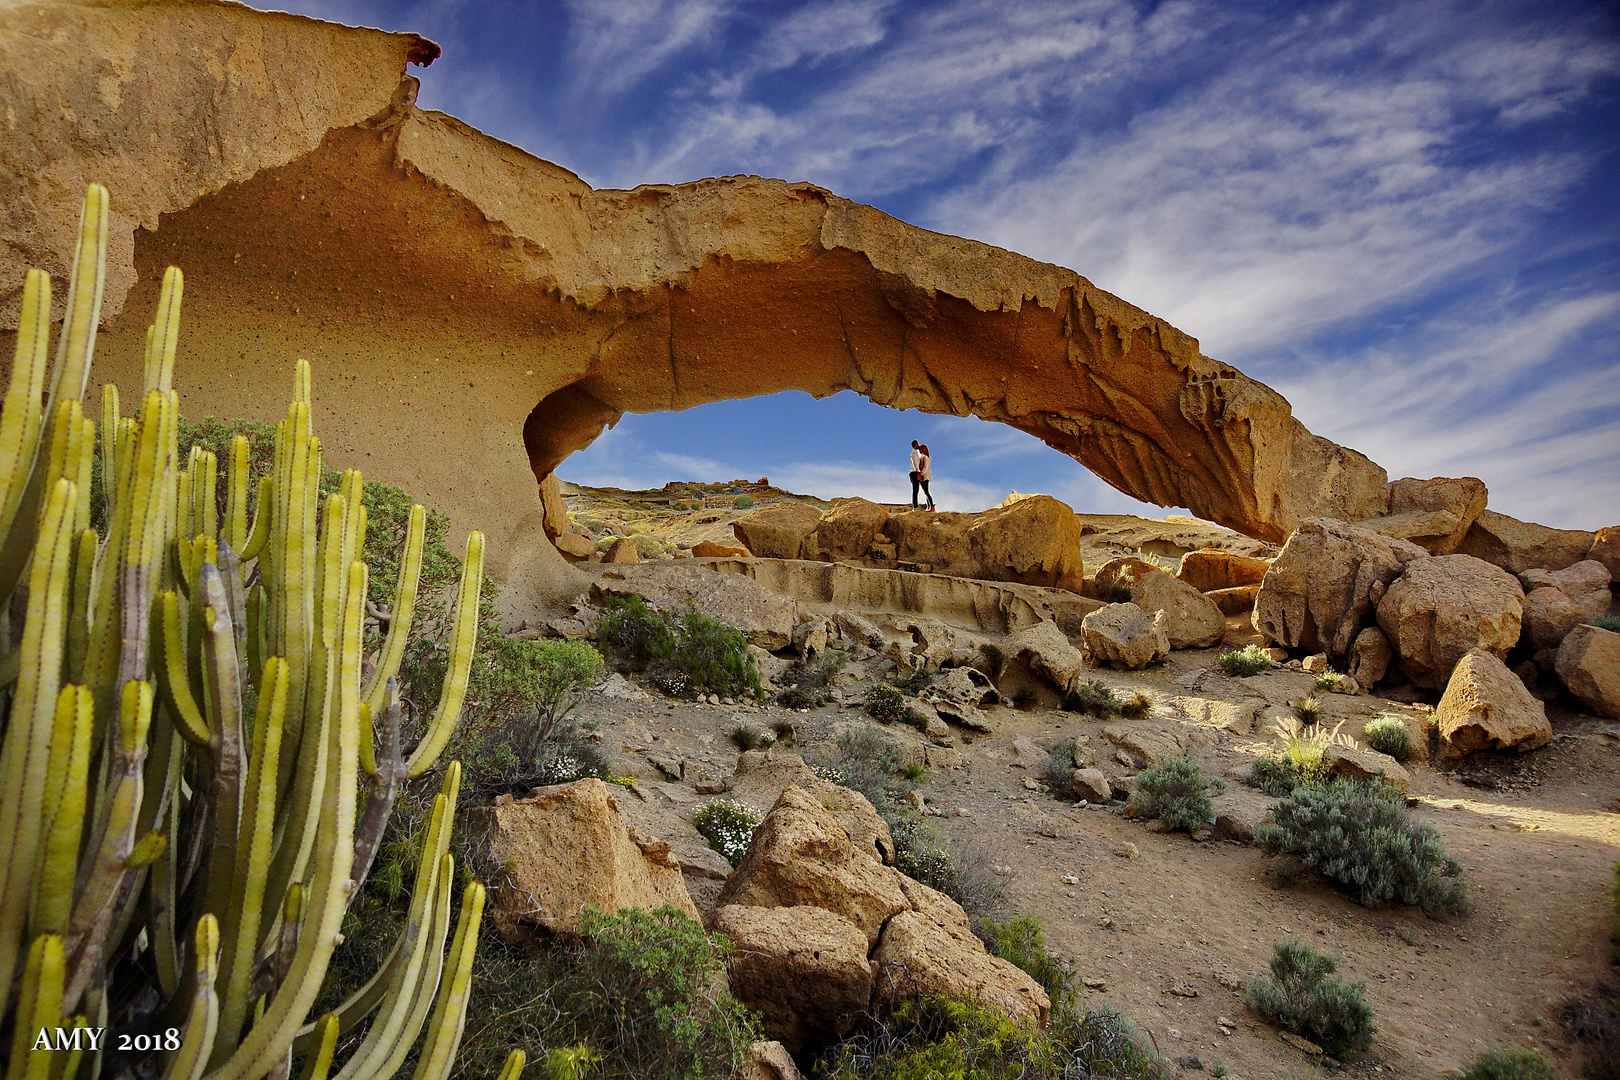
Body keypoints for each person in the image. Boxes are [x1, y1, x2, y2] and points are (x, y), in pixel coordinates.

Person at [916, 443, 936, 510]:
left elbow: (926, 466)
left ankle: (932, 507)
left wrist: (921, 474)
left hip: (925, 476)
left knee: (926, 492)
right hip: (923, 476)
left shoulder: (925, 457)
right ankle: (929, 507)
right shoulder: (922, 457)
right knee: (926, 492)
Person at [909, 440, 923, 508]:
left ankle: (915, 505)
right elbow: (916, 464)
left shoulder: (916, 454)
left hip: (914, 472)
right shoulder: (914, 454)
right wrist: (918, 473)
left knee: (916, 489)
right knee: (915, 489)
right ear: (915, 445)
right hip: (915, 472)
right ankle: (915, 505)